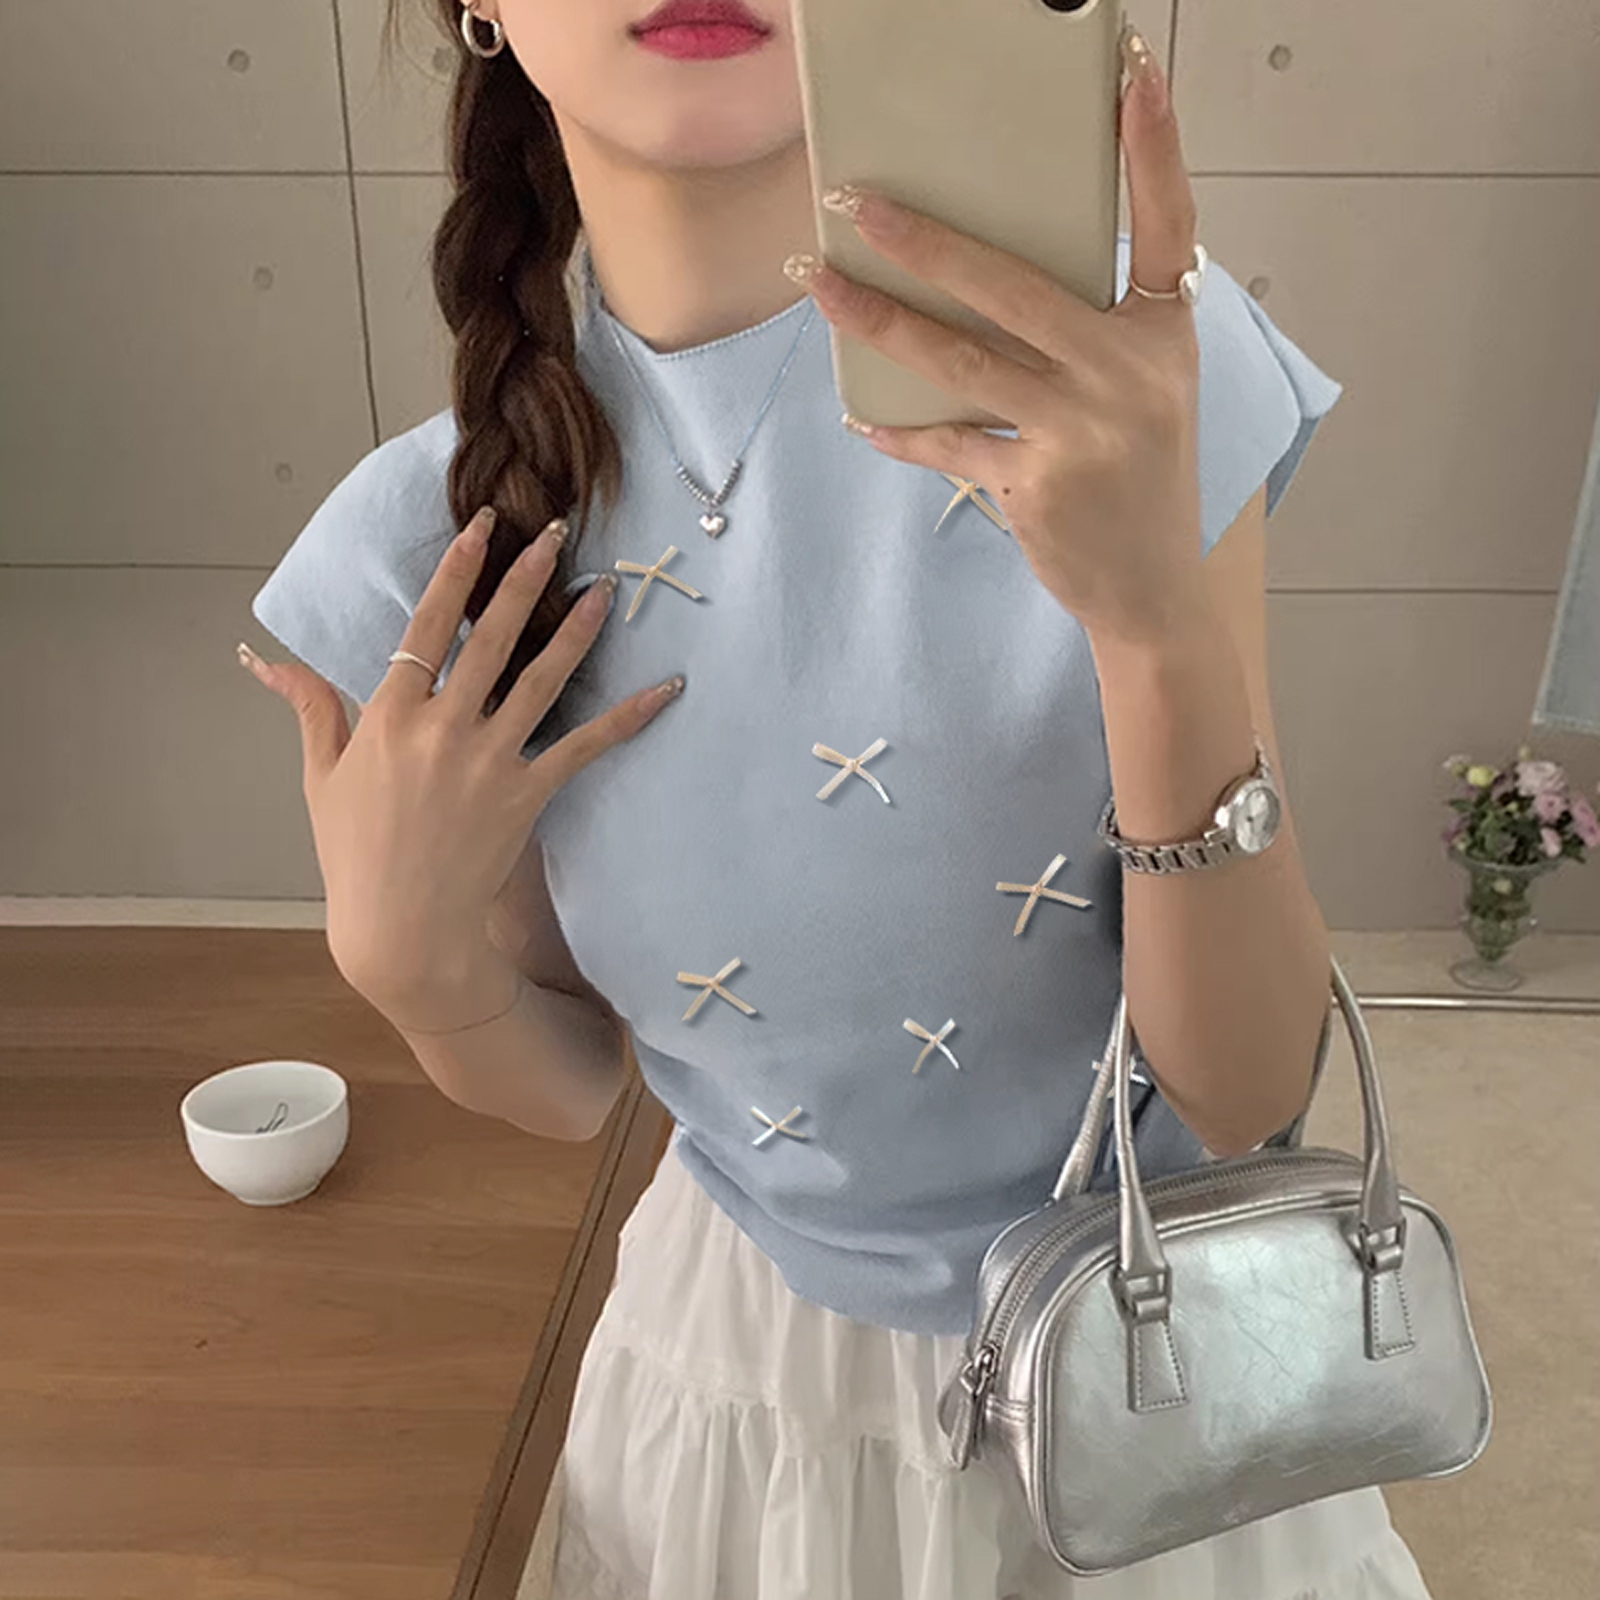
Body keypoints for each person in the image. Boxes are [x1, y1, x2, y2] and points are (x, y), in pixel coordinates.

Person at [240, 2, 1439, 1596]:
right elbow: (573, 1087)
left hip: (1156, 1372)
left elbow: (1249, 1095)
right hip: (736, 1408)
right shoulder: (438, 542)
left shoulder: (1105, 385)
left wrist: (1158, 636)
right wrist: (409, 968)